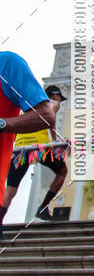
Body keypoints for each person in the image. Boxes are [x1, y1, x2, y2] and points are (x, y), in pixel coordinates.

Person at [0, 52, 56, 238]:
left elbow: (46, 116)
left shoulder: (7, 63)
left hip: (31, 150)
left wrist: (2, 124)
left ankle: (43, 207)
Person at [5, 86, 68, 222]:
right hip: (39, 147)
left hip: (21, 147)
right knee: (62, 172)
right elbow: (50, 118)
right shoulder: (52, 103)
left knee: (11, 189)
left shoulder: (27, 105)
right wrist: (56, 141)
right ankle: (43, 207)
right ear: (55, 96)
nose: (59, 103)